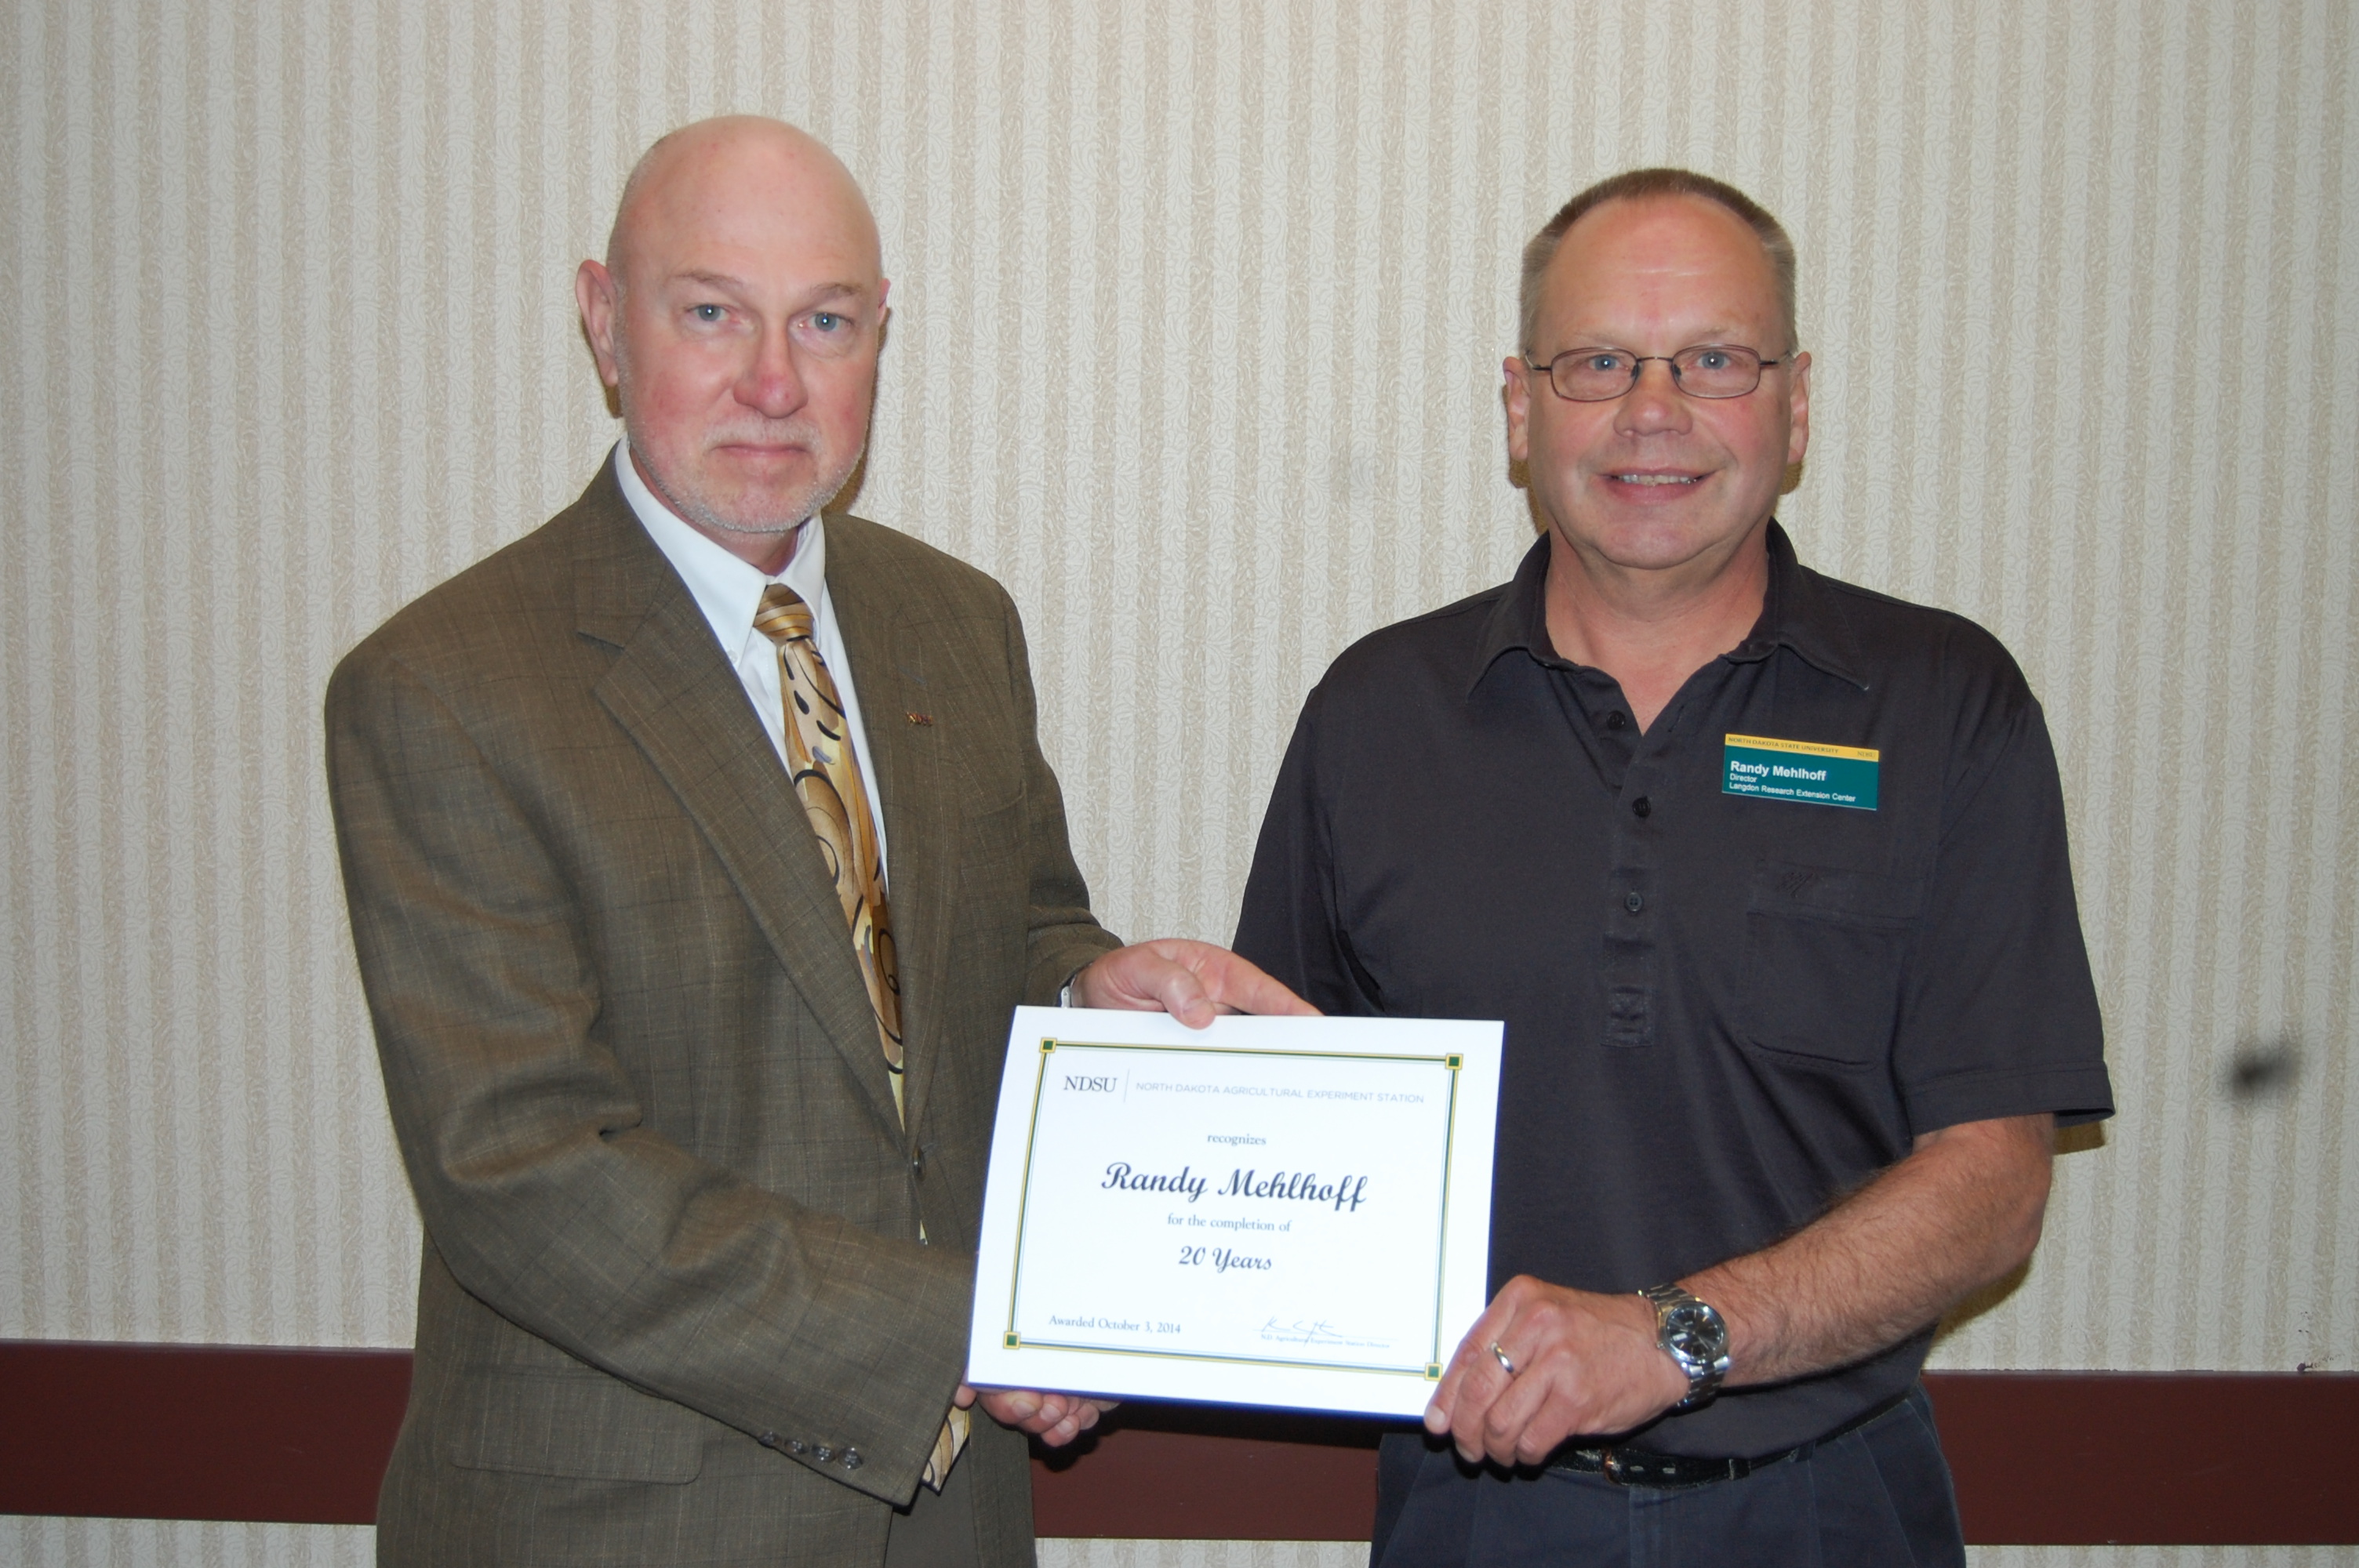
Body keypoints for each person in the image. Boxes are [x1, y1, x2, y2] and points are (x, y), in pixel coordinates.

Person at [327, 115, 1305, 1567]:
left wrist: (1092, 983)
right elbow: (521, 1173)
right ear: (606, 322)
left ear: (880, 337)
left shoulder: (959, 625)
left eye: (825, 321)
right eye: (711, 312)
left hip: (952, 1517)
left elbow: (1007, 935)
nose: (774, 380)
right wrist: (957, 1332)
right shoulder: (444, 687)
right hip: (613, 1526)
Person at [1232, 169, 2113, 1566]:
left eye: (1714, 359)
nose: (1655, 410)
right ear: (1521, 408)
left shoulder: (1947, 703)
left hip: (1828, 1505)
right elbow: (1268, 1133)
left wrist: (1676, 1337)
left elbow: (1996, 1181)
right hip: (1477, 1511)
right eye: (1599, 363)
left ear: (1795, 402)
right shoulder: (1375, 714)